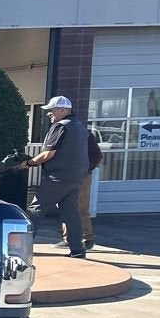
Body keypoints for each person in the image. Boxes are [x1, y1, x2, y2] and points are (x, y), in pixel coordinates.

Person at [21, 95, 89, 258]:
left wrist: (29, 163)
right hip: (75, 177)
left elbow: (48, 153)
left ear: (63, 110)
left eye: (52, 110)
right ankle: (78, 250)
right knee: (70, 213)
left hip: (57, 177)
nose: (48, 113)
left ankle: (22, 250)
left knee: (35, 209)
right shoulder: (79, 127)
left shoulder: (61, 126)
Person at [63, 125, 102, 253]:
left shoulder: (85, 135)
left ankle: (87, 238)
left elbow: (97, 155)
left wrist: (85, 169)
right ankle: (68, 238)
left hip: (82, 176)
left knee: (80, 207)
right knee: (65, 206)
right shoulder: (61, 133)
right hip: (64, 175)